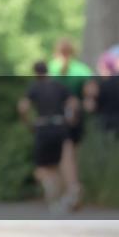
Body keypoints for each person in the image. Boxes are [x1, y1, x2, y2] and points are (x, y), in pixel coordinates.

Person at [18, 61, 78, 215]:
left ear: (35, 72)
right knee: (58, 163)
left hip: (42, 127)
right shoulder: (58, 86)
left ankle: (51, 191)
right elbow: (73, 103)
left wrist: (28, 123)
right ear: (48, 71)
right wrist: (70, 119)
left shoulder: (34, 87)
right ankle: (67, 193)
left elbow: (23, 107)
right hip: (59, 126)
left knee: (43, 166)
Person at [47, 38, 91, 209]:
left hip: (56, 119)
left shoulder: (51, 68)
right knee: (72, 155)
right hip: (77, 118)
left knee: (62, 157)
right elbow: (90, 92)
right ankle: (70, 190)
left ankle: (71, 189)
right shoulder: (82, 69)